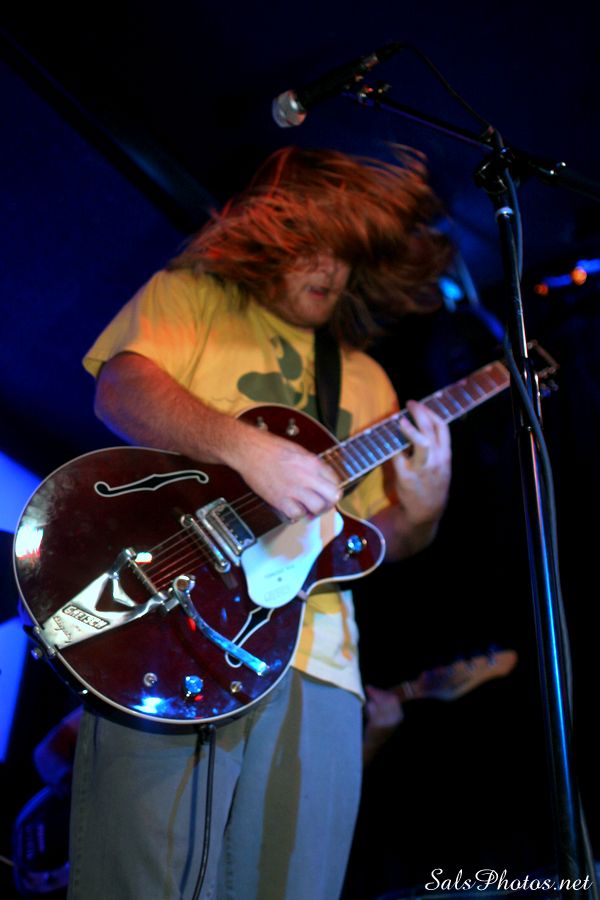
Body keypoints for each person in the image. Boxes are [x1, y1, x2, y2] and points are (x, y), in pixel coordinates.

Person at [67, 145, 453, 900]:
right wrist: (247, 449)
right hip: (170, 629)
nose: (330, 271)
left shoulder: (369, 378)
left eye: (346, 256)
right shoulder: (193, 297)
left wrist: (424, 508)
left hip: (321, 665)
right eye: (314, 246)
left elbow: (377, 542)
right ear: (273, 236)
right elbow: (120, 389)